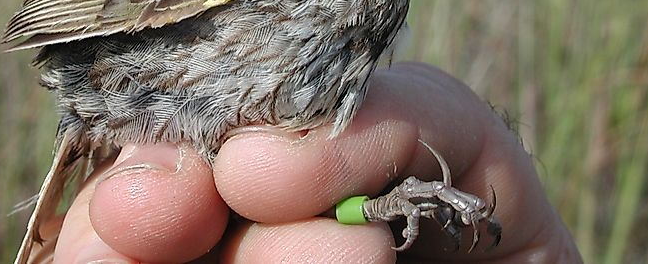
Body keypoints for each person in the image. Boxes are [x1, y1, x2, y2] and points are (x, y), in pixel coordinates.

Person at [46, 63, 583, 263]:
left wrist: (388, 203)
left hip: (265, 199)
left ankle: (374, 207)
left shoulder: (377, 5)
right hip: (125, 110)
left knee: (297, 195)